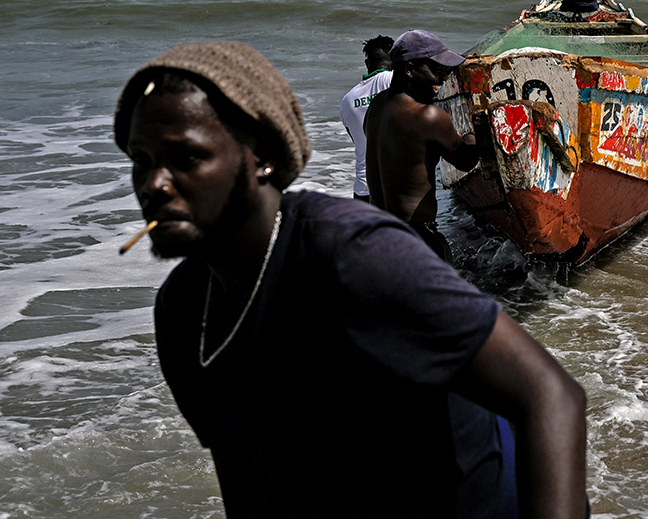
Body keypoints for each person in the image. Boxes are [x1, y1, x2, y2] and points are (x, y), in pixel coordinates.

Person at [113, 41, 587, 519]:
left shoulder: (353, 255)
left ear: (262, 158)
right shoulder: (183, 311)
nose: (153, 184)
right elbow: (243, 472)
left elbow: (549, 394)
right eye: (141, 160)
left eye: (187, 159)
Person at [365, 29, 478, 262]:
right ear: (409, 70)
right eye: (437, 71)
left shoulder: (375, 107)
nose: (442, 80)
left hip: (379, 233)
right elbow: (466, 161)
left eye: (446, 72)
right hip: (415, 238)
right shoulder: (428, 116)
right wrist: (473, 134)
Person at [338, 34, 393, 201]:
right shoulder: (395, 81)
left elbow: (359, 141)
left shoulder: (347, 100)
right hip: (393, 187)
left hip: (363, 189)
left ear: (367, 64)